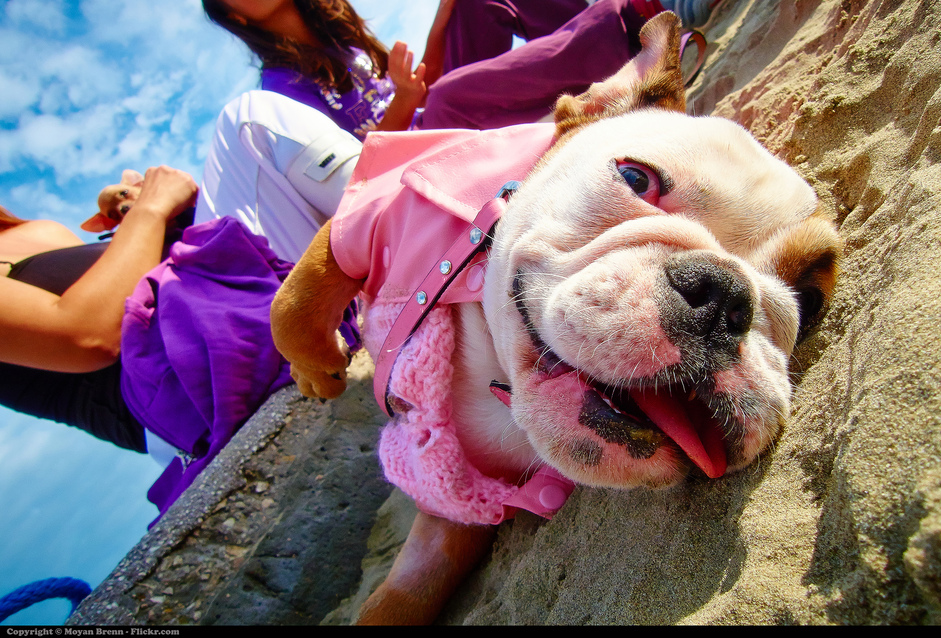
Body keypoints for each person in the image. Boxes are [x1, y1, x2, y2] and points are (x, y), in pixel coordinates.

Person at [1, 168, 297, 516]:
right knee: (251, 118)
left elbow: (128, 283)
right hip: (183, 389)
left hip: (234, 307)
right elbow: (89, 336)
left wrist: (162, 211)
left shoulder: (38, 230)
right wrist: (151, 208)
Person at [202, 0, 713, 135]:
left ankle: (617, 22)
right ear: (235, 14)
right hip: (415, 149)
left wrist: (443, 19)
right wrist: (407, 98)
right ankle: (633, 30)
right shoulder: (277, 90)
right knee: (447, 96)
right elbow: (356, 166)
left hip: (435, 107)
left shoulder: (340, 37)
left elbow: (415, 81)